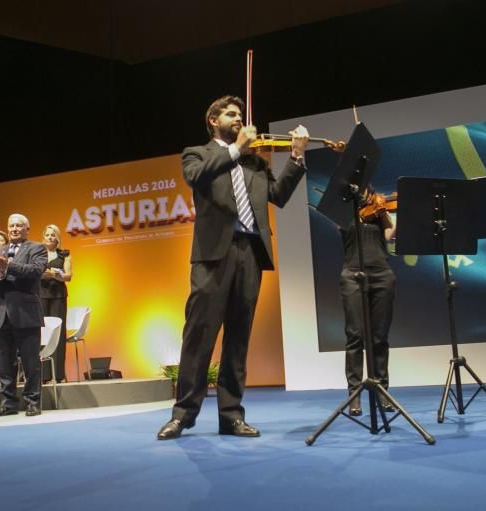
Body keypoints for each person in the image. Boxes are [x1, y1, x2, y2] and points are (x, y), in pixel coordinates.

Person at [157, 95, 308, 440]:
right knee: (199, 336)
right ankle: (183, 415)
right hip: (212, 256)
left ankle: (231, 415)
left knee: (238, 339)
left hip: (250, 253)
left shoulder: (256, 163)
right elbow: (196, 177)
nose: (238, 118)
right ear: (213, 120)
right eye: (230, 114)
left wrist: (297, 157)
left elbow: (279, 196)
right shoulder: (197, 153)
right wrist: (236, 150)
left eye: (240, 114)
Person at [0, 213, 48, 417]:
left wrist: (7, 267)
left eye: (19, 225)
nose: (15, 229)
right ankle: (8, 405)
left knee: (30, 362)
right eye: (11, 226)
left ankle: (32, 402)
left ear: (27, 228)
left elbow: (35, 271)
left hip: (26, 313)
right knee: (4, 363)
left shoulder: (37, 248)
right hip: (2, 314)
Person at [341, 189, 396, 416]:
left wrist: (383, 208)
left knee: (379, 337)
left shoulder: (378, 207)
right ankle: (354, 394)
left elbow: (388, 235)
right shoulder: (344, 208)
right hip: (353, 274)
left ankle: (381, 388)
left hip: (382, 274)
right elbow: (342, 229)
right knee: (355, 335)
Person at [40, 224, 71, 383]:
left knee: (58, 333)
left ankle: (58, 374)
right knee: (42, 333)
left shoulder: (64, 254)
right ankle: (44, 375)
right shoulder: (37, 254)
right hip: (41, 295)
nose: (50, 237)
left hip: (58, 295)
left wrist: (53, 275)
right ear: (43, 236)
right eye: (48, 235)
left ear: (58, 238)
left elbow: (68, 276)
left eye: (53, 235)